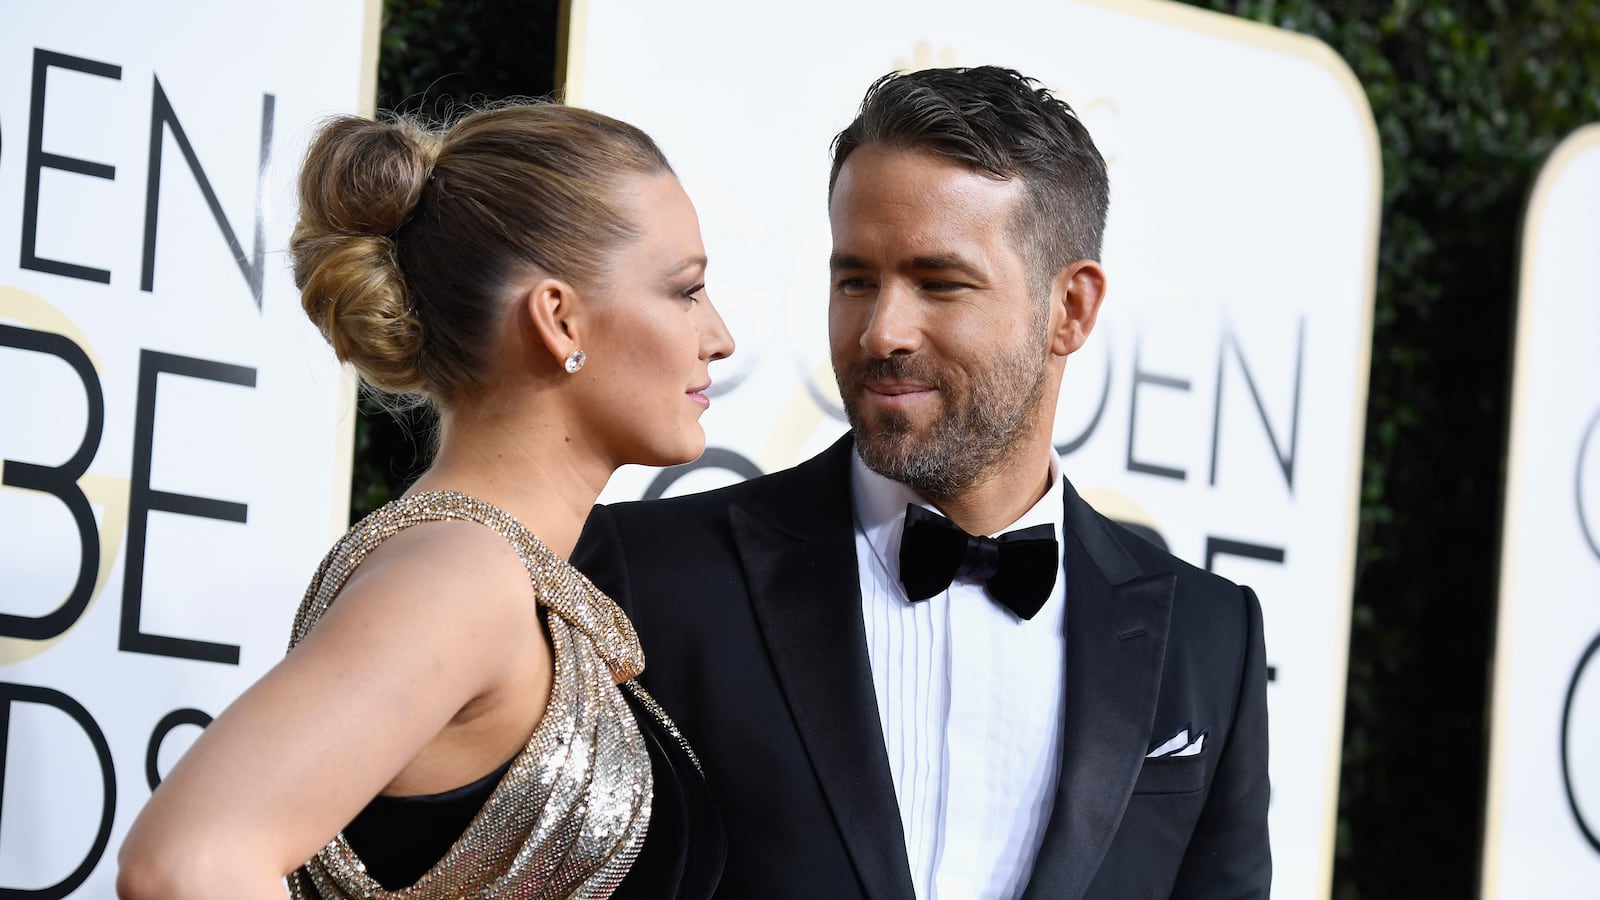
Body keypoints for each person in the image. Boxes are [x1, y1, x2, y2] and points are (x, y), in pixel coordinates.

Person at [573, 66, 1270, 899]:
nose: (880, 331)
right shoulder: (652, 578)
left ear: (1071, 310)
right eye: (856, 279)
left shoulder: (1209, 637)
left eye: (940, 283)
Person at [117, 103, 732, 899]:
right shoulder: (460, 576)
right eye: (685, 291)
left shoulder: (493, 569)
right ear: (558, 318)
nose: (718, 337)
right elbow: (183, 865)